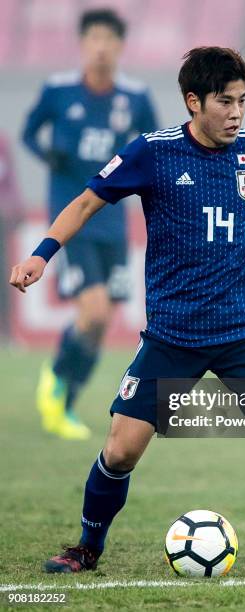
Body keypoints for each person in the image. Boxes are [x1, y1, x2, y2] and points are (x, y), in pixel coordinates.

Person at [11, 47, 245, 573]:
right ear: (193, 101)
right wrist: (41, 253)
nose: (236, 113)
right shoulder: (152, 153)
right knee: (119, 451)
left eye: (243, 101)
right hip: (173, 334)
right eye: (224, 101)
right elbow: (88, 199)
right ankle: (87, 548)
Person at [21, 9, 158, 440]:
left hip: (114, 223)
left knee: (101, 322)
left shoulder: (134, 97)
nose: (101, 47)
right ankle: (56, 379)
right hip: (72, 217)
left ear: (120, 46)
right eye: (93, 38)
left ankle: (66, 401)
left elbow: (155, 148)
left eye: (109, 39)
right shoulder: (58, 91)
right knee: (94, 310)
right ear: (83, 43)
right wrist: (49, 156)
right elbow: (29, 132)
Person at [0, 133, 25, 343]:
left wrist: (16, 207)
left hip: (0, 219)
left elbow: (9, 182)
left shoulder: (2, 142)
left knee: (2, 277)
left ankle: (6, 332)